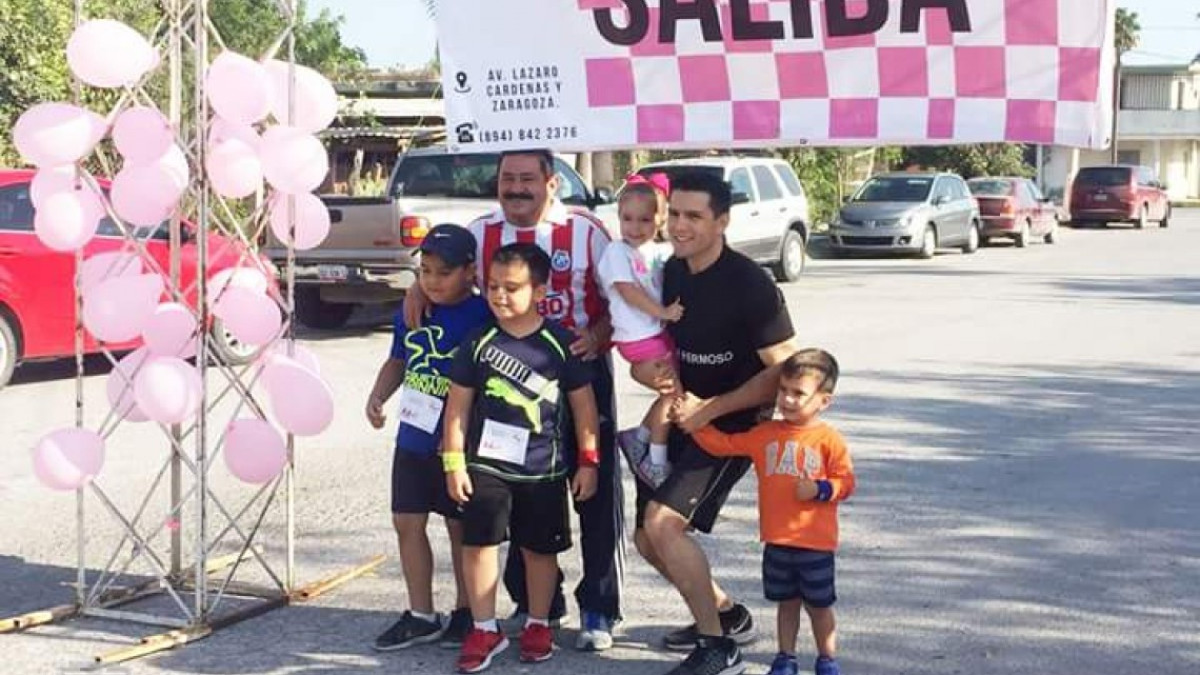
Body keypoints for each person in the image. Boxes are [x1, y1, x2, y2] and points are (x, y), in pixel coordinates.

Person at [405, 148, 622, 651]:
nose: (517, 188)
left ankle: (599, 605)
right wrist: (411, 293)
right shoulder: (481, 232)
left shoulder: (587, 229)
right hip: (504, 378)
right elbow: (443, 278)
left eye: (528, 178)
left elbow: (622, 295)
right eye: (508, 178)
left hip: (576, 373)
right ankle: (536, 606)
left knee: (593, 491)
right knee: (517, 489)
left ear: (552, 182)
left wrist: (601, 332)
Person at [631, 171, 798, 675]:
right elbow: (652, 348)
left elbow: (787, 367)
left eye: (693, 217)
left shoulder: (750, 284)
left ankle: (717, 648)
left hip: (733, 429)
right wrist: (653, 375)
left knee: (663, 525)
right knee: (646, 537)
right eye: (674, 214)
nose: (679, 226)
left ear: (722, 221)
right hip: (684, 418)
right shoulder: (674, 272)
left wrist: (713, 408)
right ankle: (725, 615)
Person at [441, 243, 600, 673]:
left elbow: (584, 408)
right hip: (486, 465)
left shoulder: (560, 343)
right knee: (479, 544)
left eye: (512, 288)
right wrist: (453, 462)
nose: (499, 296)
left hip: (543, 468)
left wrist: (589, 461)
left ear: (540, 290)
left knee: (538, 550)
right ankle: (483, 627)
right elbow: (456, 407)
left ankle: (537, 622)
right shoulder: (478, 341)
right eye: (492, 286)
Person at [365, 224, 493, 651]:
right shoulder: (414, 308)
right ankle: (421, 613)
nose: (432, 281)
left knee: (459, 527)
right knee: (406, 521)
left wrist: (463, 436)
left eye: (443, 272)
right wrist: (378, 395)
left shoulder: (483, 315)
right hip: (414, 436)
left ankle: (464, 611)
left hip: (455, 442)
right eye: (424, 272)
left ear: (470, 271)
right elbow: (399, 358)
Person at [691, 349, 855, 675]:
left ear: (824, 401)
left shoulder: (828, 440)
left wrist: (822, 489)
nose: (789, 400)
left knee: (819, 606)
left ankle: (827, 659)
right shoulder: (765, 434)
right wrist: (695, 422)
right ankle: (786, 657)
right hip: (777, 540)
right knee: (787, 603)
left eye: (799, 393)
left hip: (815, 543)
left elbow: (846, 481)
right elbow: (724, 444)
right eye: (784, 390)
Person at [596, 173, 681, 488]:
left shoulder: (657, 251)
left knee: (671, 393)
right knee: (673, 394)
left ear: (660, 219)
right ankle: (654, 461)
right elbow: (627, 290)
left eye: (644, 219)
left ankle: (640, 436)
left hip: (655, 334)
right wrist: (663, 313)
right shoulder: (617, 252)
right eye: (627, 219)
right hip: (638, 337)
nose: (634, 227)